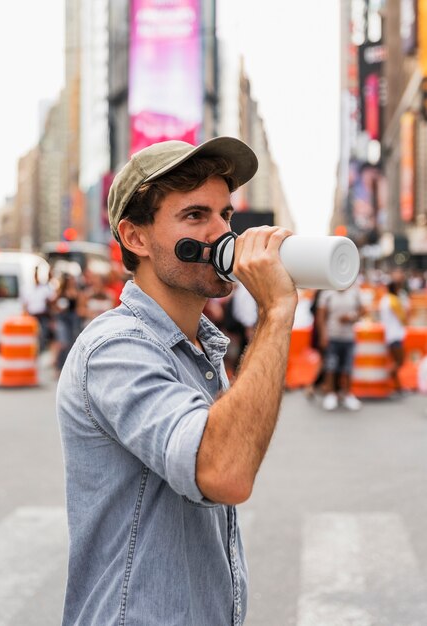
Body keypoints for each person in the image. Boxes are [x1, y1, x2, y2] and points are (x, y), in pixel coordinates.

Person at [56, 137, 297, 625]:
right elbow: (225, 472)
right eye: (195, 217)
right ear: (136, 238)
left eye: (225, 215)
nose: (222, 232)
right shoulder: (116, 348)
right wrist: (276, 312)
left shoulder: (199, 349)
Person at [316, 284, 365, 411]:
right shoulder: (327, 292)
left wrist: (352, 317)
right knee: (331, 366)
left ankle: (347, 394)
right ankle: (331, 394)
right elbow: (321, 316)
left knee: (348, 367)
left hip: (349, 336)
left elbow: (362, 310)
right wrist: (323, 334)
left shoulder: (355, 291)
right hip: (332, 335)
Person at [379, 279, 409, 394]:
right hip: (395, 335)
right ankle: (384, 378)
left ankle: (398, 387)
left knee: (395, 361)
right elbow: (403, 318)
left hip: (388, 334)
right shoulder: (394, 301)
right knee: (399, 362)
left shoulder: (384, 300)